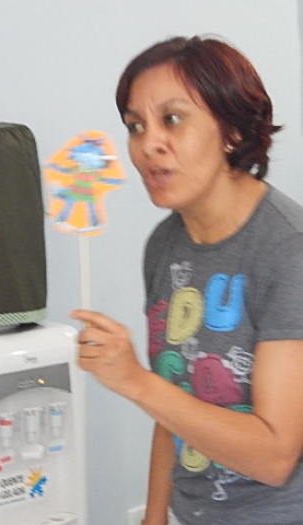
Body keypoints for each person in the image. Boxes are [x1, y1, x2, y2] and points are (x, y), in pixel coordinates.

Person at [71, 35, 303, 525]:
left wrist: (135, 381)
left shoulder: (288, 250)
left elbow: (275, 457)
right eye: (135, 126)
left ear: (232, 131)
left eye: (172, 119)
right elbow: (176, 405)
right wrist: (153, 518)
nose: (149, 144)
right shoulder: (165, 246)